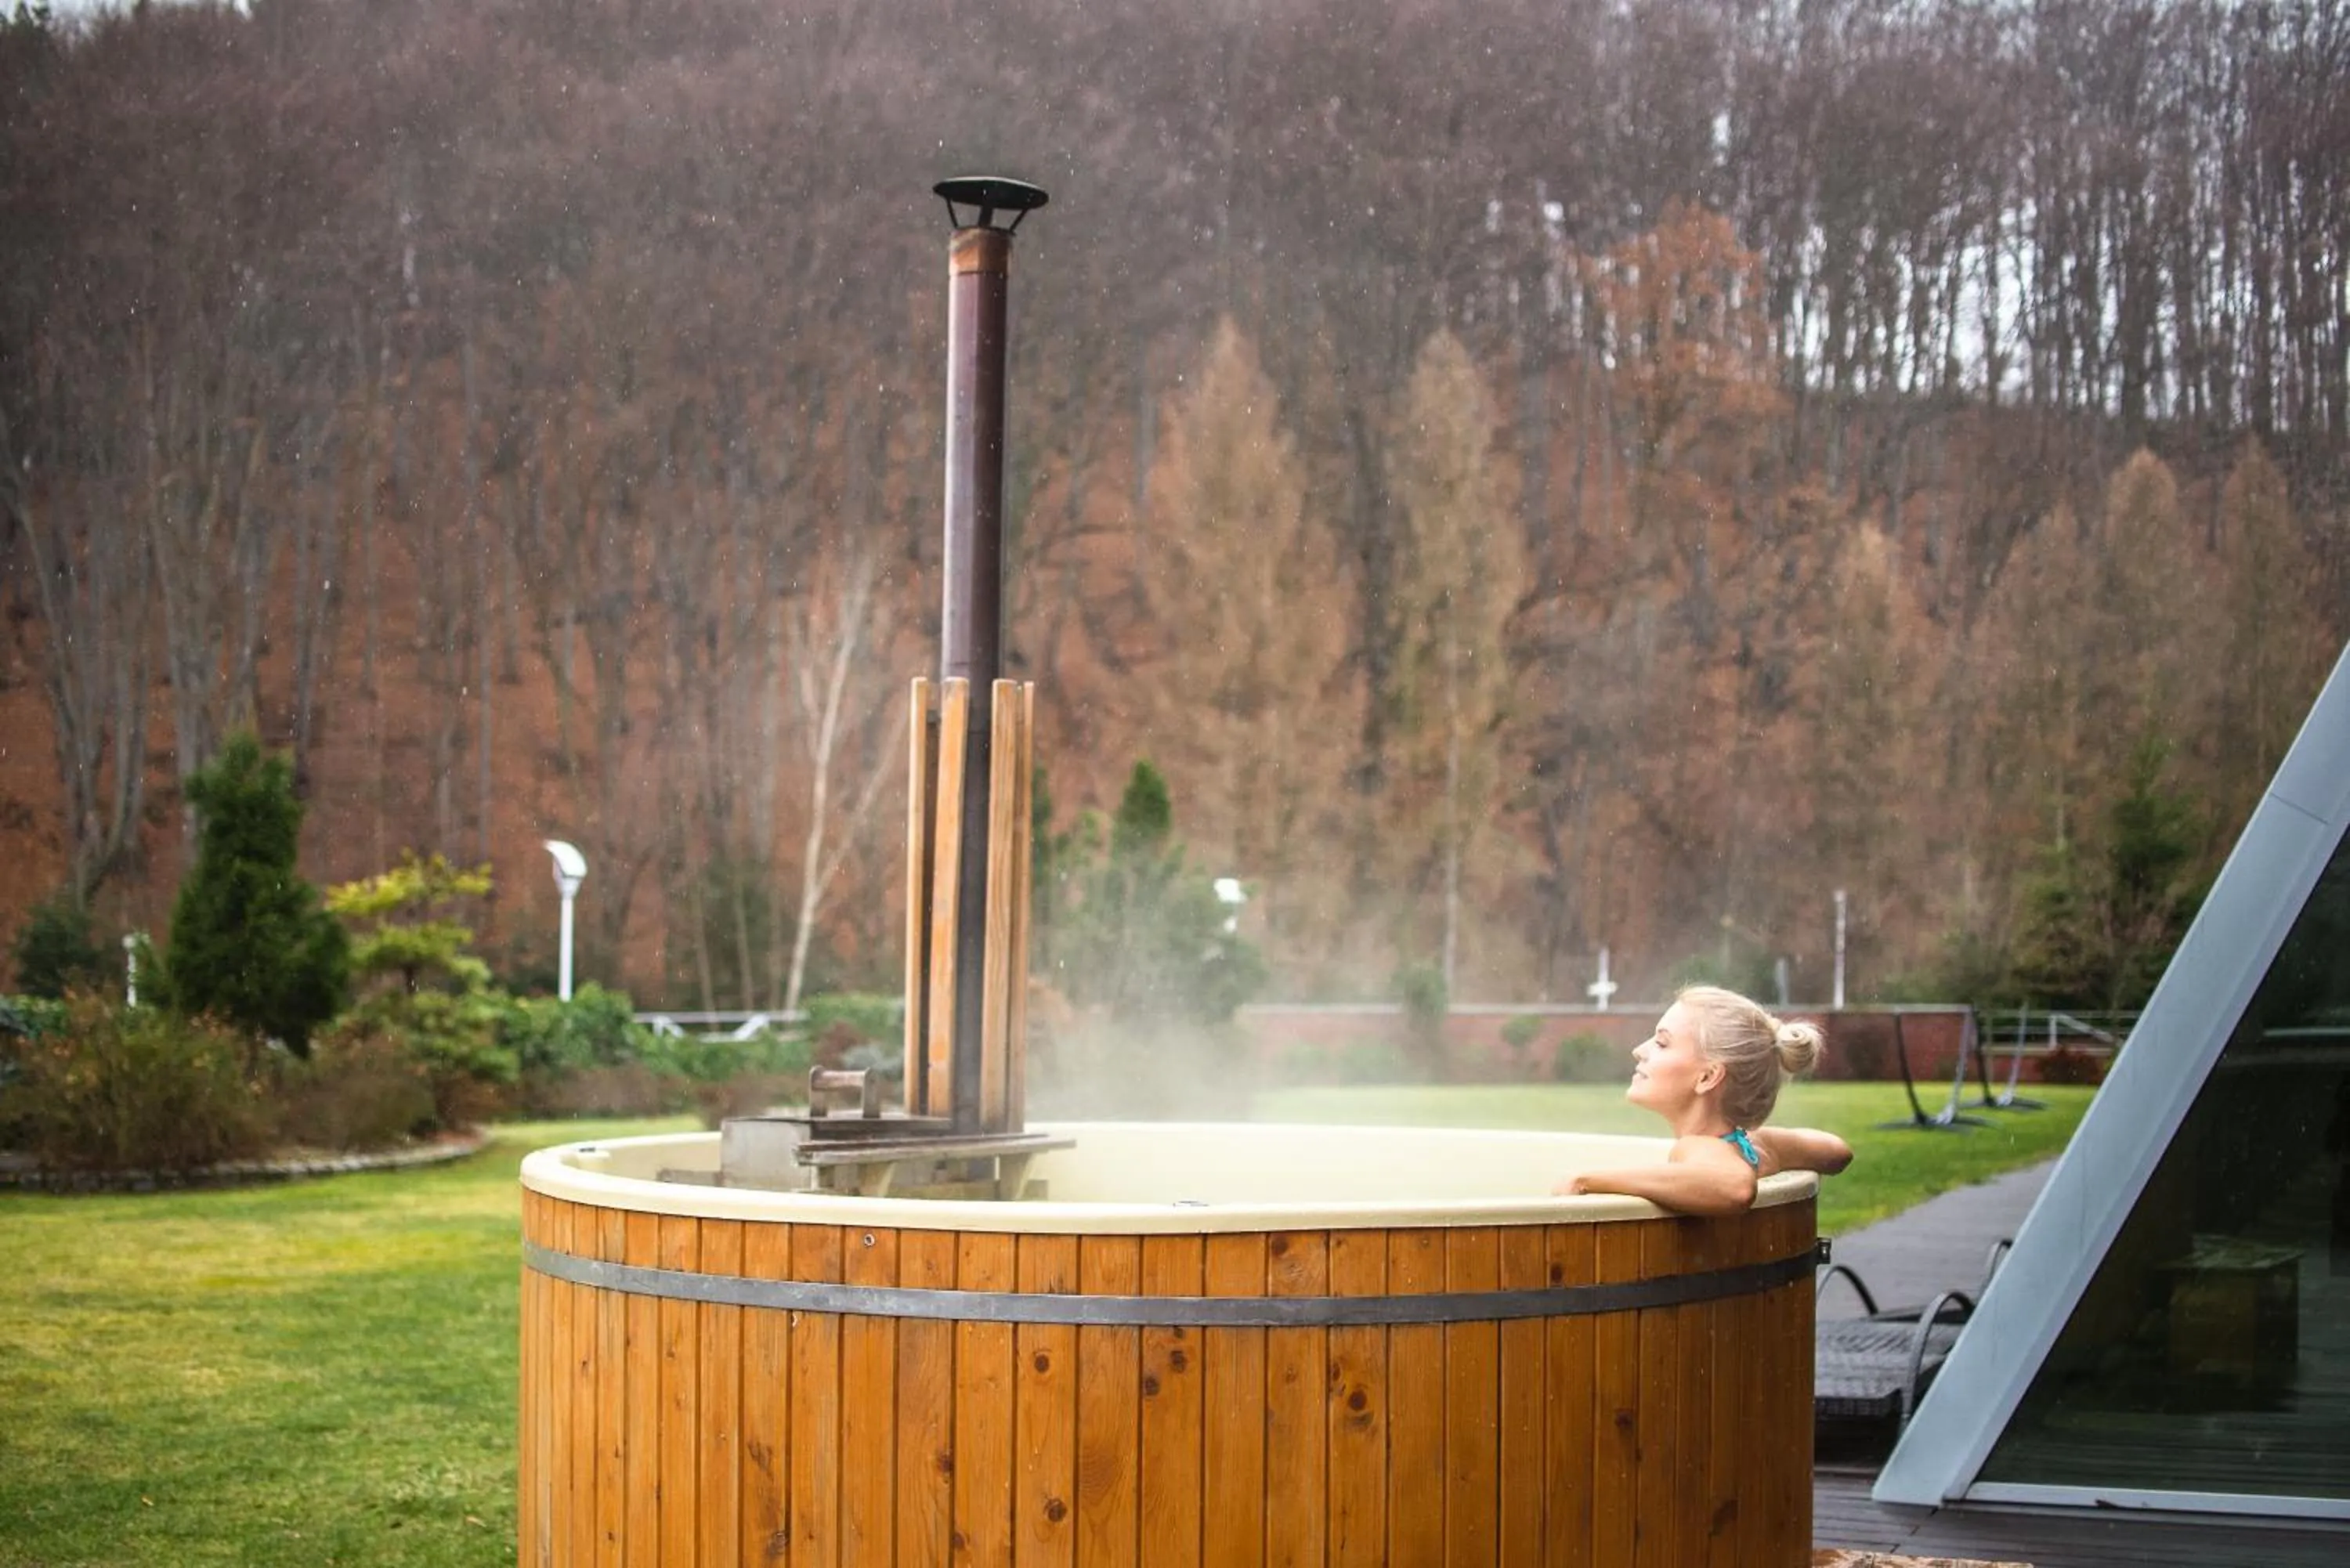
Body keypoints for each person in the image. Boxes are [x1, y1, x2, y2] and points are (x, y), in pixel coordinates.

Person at [1553, 985, 1853, 1215]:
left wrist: (1587, 1180)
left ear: (1708, 1077)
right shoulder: (1754, 1145)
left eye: (1661, 1043)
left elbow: (1736, 1189)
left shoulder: (1697, 1146)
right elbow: (1836, 1151)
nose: (1639, 1050)